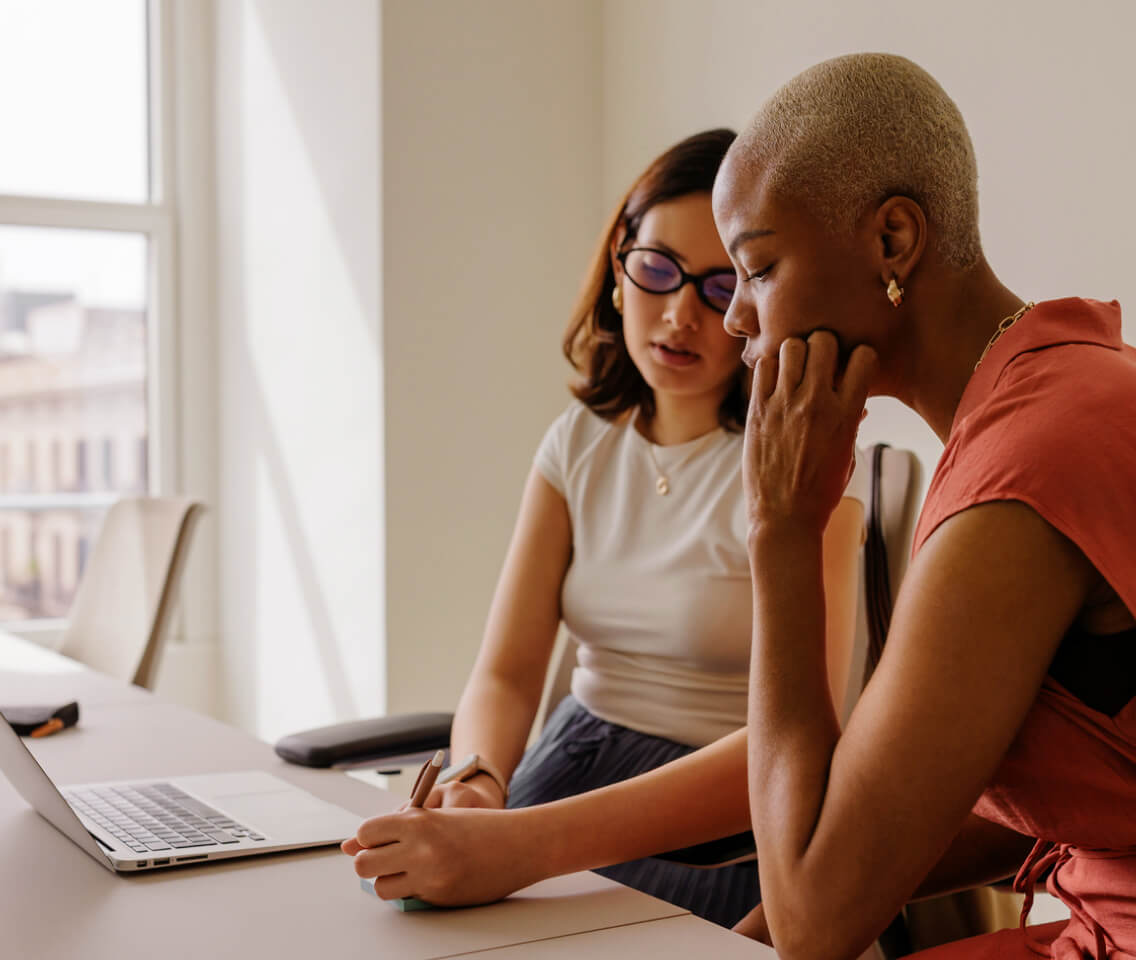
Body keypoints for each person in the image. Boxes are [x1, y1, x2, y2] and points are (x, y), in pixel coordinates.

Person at [343, 129, 867, 928]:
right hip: (575, 756)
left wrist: (524, 843)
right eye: (657, 269)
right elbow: (509, 673)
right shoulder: (580, 442)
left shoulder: (803, 461)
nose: (681, 314)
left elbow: (803, 741)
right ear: (620, 270)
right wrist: (481, 778)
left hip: (714, 812)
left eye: (720, 286)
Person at [712, 53, 1136, 959]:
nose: (734, 322)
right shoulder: (1057, 383)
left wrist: (781, 534)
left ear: (893, 241)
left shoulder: (1024, 470)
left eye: (757, 268)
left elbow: (815, 924)